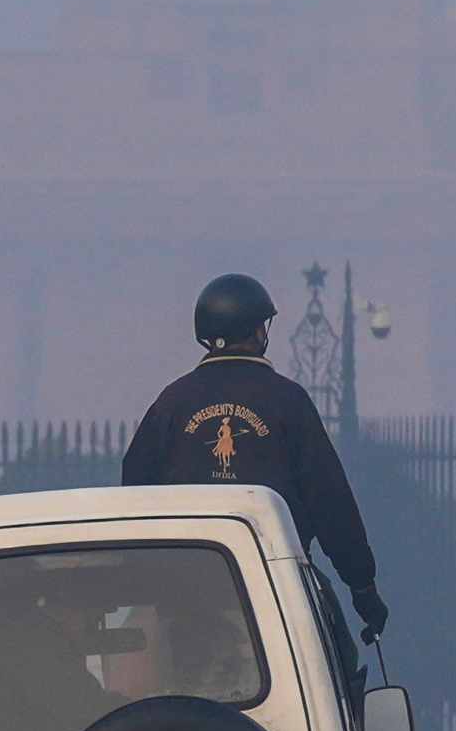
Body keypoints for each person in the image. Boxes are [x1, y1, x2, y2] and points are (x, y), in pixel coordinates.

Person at [123, 273, 387, 686]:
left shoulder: (172, 402)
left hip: (183, 589)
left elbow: (134, 488)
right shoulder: (287, 401)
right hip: (275, 582)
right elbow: (330, 501)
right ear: (258, 331)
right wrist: (362, 586)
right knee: (336, 669)